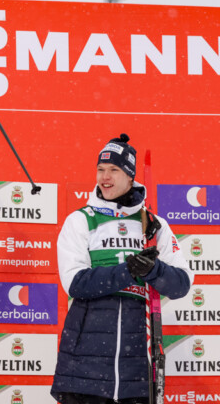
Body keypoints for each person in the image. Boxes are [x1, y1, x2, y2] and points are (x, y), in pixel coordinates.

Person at [51, 134, 193, 404]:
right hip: (85, 364)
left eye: (114, 170)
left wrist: (153, 269)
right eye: (100, 169)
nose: (105, 177)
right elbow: (76, 283)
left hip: (138, 363)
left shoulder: (153, 224)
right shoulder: (81, 220)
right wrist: (128, 270)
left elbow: (181, 284)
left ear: (130, 176)